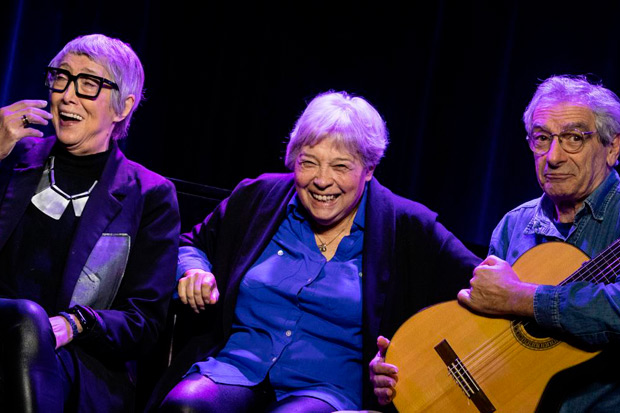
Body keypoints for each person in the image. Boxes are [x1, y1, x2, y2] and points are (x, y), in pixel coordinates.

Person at [149, 90, 480, 412]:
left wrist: (410, 357)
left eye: (340, 167)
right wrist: (194, 270)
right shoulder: (258, 197)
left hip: (327, 392)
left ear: (369, 170)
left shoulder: (407, 226)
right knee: (186, 407)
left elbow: (480, 289)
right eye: (309, 163)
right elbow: (191, 244)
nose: (322, 180)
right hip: (236, 369)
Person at [371, 75, 620, 410]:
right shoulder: (514, 225)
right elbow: (483, 331)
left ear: (613, 147)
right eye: (541, 138)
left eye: (574, 138)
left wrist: (523, 298)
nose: (553, 156)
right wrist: (409, 369)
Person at [0, 34, 180, 412]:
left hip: (78, 363)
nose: (67, 95)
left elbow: (144, 322)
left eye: (89, 84)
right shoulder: (13, 157)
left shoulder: (149, 194)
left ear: (122, 107)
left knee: (32, 323)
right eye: (61, 78)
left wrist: (75, 323)